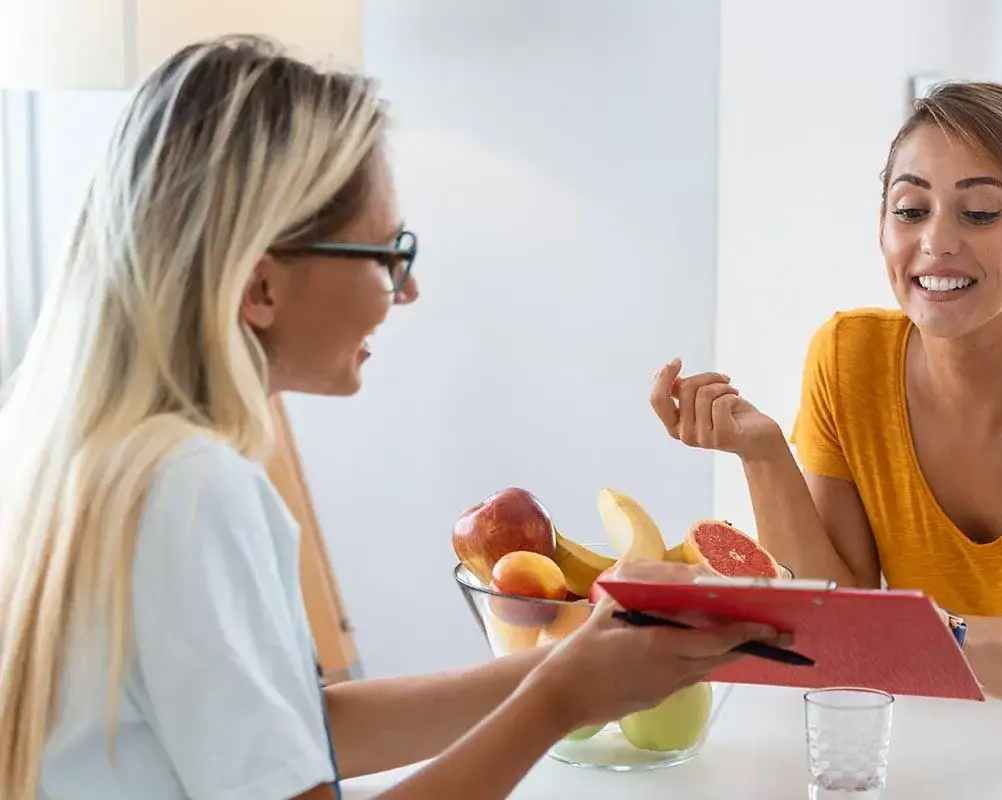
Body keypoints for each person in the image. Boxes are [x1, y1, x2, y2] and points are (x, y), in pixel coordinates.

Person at [0, 36, 780, 800]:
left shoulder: (91, 453)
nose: (403, 292)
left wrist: (583, 666)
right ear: (261, 287)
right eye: (385, 254)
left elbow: (306, 729)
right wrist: (561, 701)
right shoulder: (194, 489)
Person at [649, 81, 1002, 704]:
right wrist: (764, 453)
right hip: (916, 731)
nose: (936, 241)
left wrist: (928, 637)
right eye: (911, 210)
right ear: (883, 230)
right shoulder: (847, 356)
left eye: (980, 213)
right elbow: (835, 614)